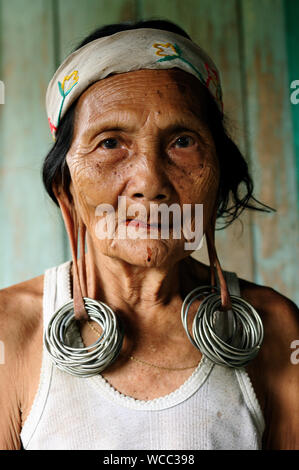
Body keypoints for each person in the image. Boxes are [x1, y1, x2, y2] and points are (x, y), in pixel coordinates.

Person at [0, 19, 298, 451]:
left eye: (182, 141)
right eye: (109, 143)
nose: (150, 181)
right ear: (65, 185)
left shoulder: (276, 327)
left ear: (219, 179)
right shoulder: (10, 331)